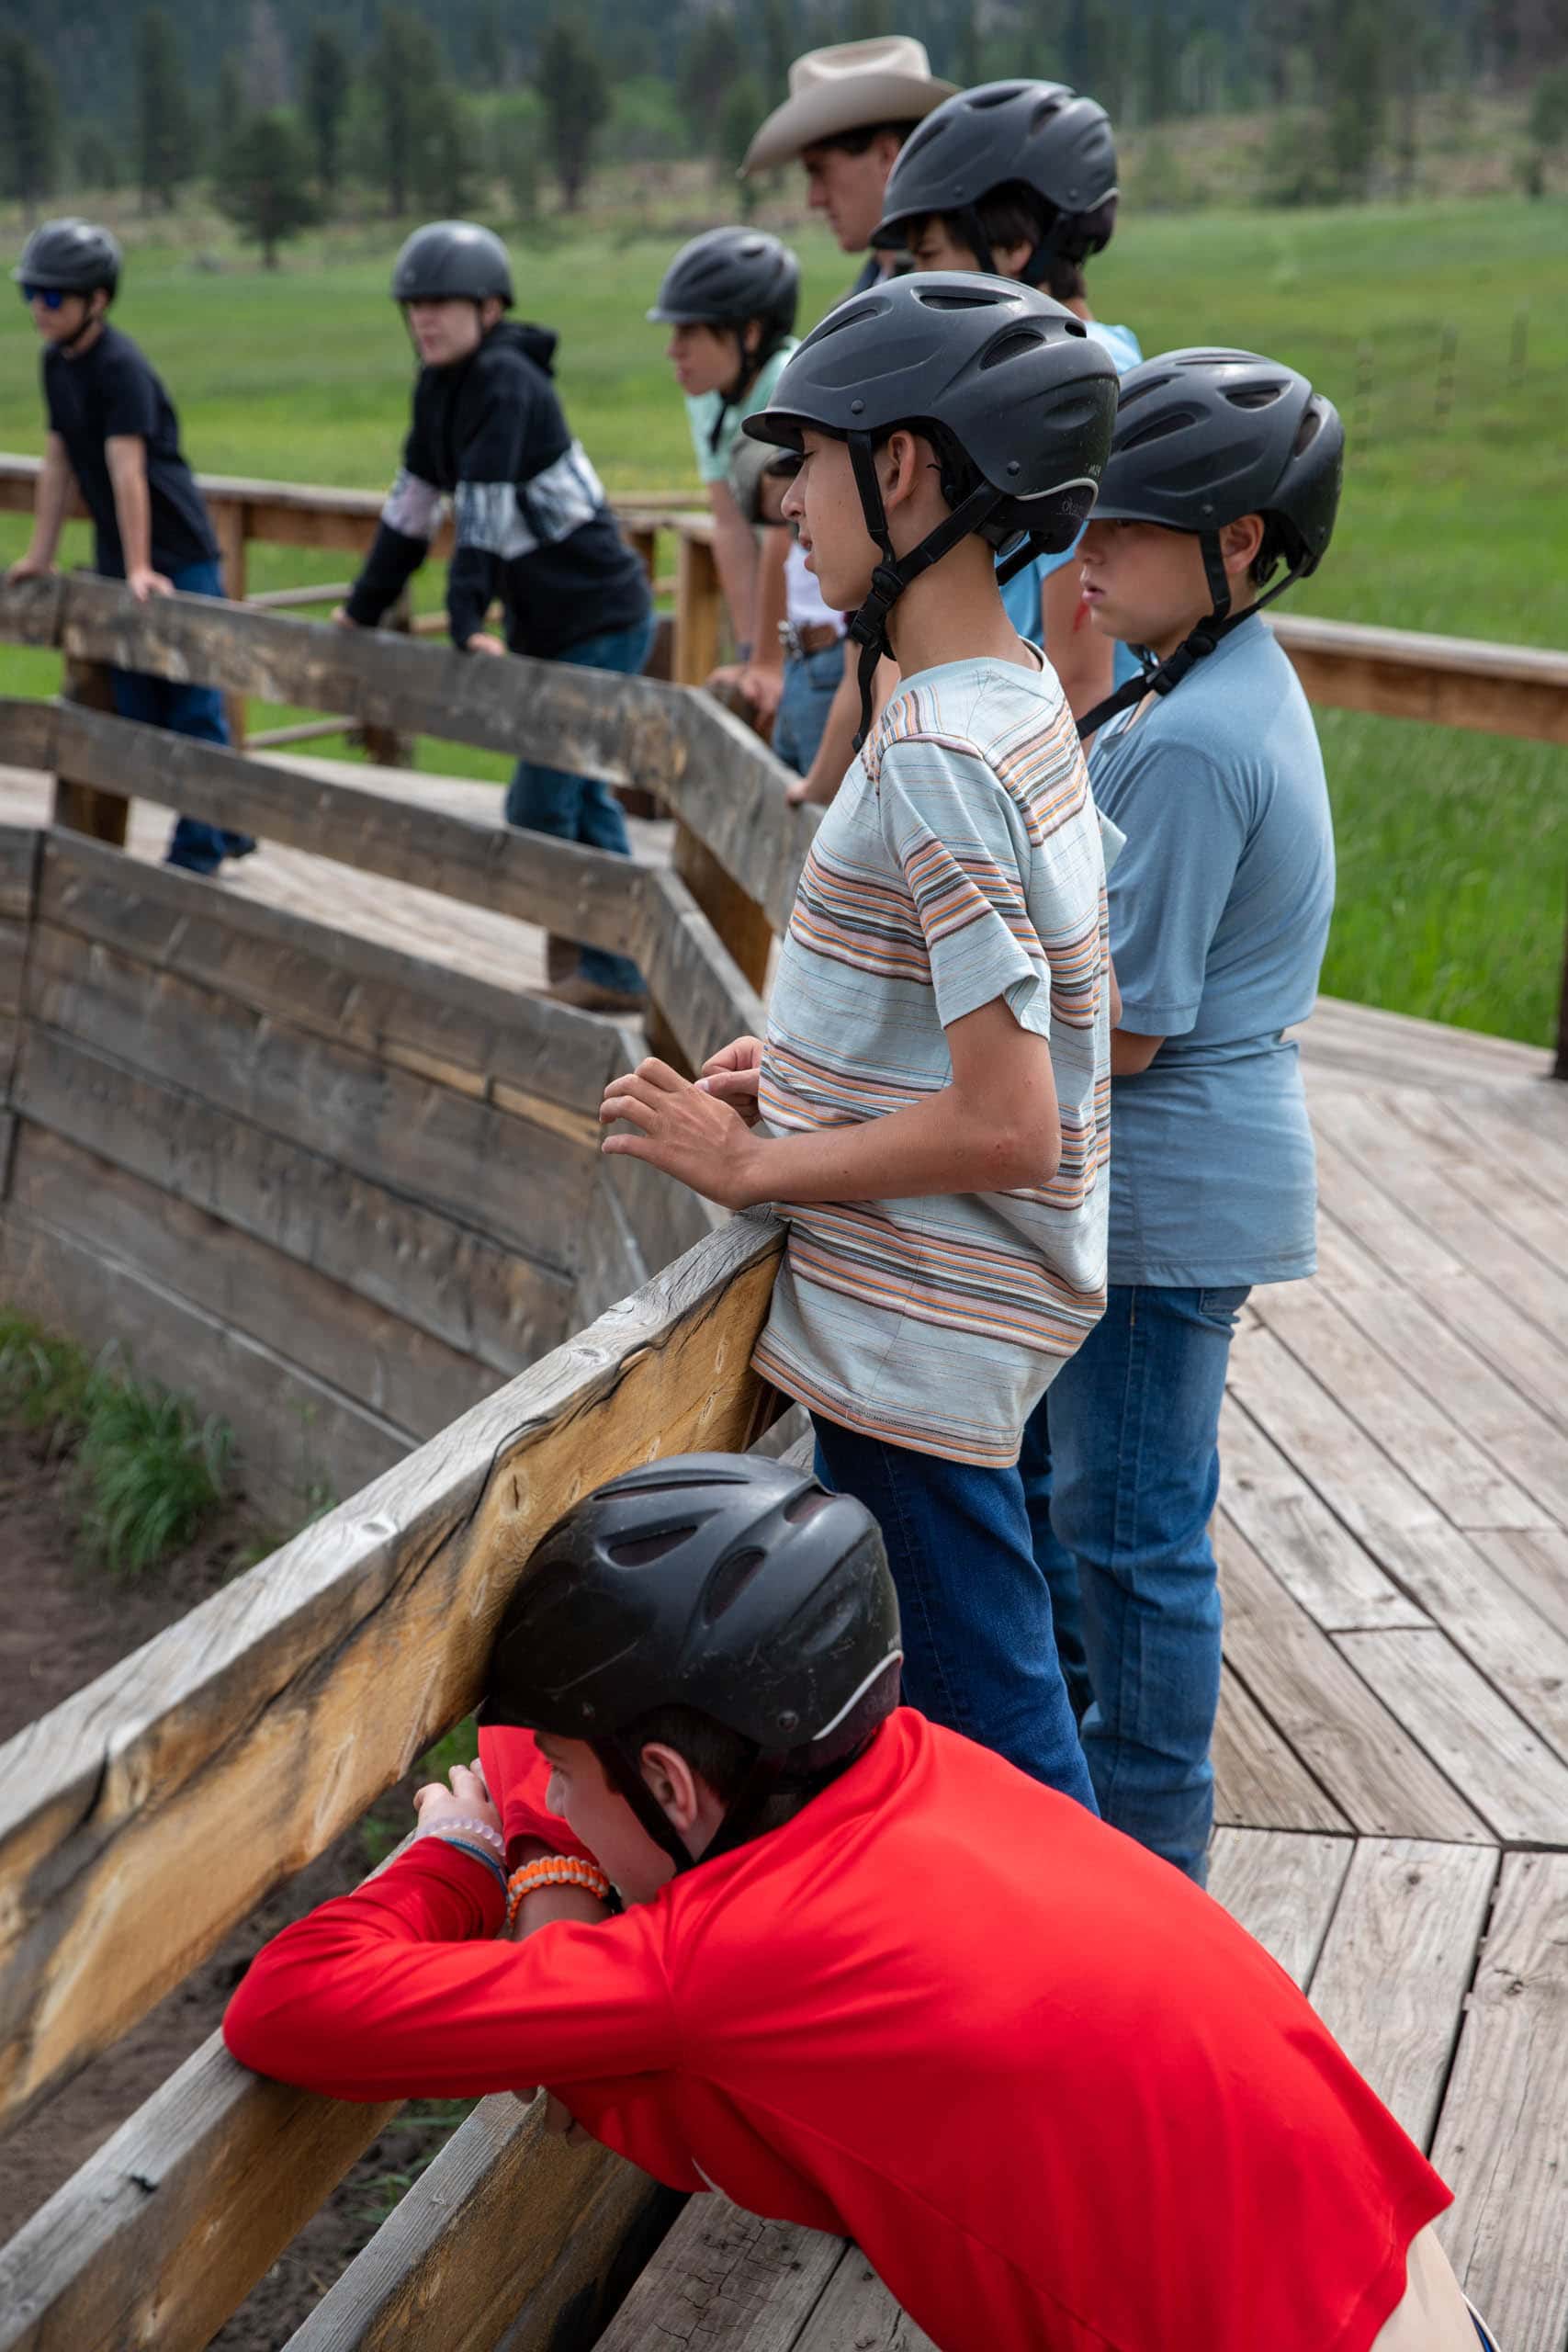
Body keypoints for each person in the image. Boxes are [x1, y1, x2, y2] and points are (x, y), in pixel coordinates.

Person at [223, 1453, 1496, 2352]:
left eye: (569, 1772)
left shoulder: (737, 1960)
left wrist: (459, 1857)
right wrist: (552, 1828)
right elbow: (544, 1787)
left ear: (669, 1779)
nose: (544, 1792)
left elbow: (292, 2007)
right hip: (1396, 2284)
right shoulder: (929, 1772)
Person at [598, 277, 1122, 1812]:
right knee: (973, 1717)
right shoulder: (1010, 703)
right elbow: (994, 1013)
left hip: (913, 1351)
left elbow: (1009, 1119)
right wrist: (822, 1081)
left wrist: (762, 1162)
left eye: (808, 460)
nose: (785, 497)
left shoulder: (947, 755)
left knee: (1000, 1756)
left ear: (904, 470)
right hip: (949, 1328)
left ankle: (1094, 2037)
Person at [1018, 348, 1345, 1886]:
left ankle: (1150, 1878)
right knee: (1111, 1528)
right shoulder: (1212, 686)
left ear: (1236, 544)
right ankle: (1124, 1858)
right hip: (1172, 1185)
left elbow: (1129, 1028)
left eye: (1124, 533)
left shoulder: (1204, 736)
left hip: (1162, 1194)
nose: (1085, 565)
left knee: (1127, 1545)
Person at [338, 220, 653, 1015]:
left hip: (600, 617)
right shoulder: (437, 388)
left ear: (490, 308)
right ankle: (608, 964)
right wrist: (360, 608)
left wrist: (461, 616)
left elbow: (480, 505)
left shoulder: (507, 383)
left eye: (443, 303)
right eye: (413, 306)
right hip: (547, 627)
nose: (425, 319)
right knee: (568, 796)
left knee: (546, 801)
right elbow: (412, 504)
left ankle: (616, 969)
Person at [872, 78, 1144, 722]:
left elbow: (1081, 683)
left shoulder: (1079, 392)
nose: (920, 282)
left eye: (931, 255)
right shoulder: (1030, 384)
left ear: (1015, 248)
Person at [7, 218, 254, 878]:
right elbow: (59, 461)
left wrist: (144, 565)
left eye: (53, 297)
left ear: (98, 301)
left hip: (178, 553)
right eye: (32, 293)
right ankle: (227, 824)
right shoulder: (56, 363)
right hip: (124, 557)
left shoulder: (120, 368)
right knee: (136, 705)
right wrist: (40, 553)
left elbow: (128, 474)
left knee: (193, 705)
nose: (39, 307)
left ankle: (197, 852)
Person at [739, 35, 954, 772]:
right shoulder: (861, 307)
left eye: (822, 172)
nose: (813, 199)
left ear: (889, 157)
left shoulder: (917, 322)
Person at [649, 227, 799, 677]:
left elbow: (778, 531)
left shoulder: (789, 382)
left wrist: (768, 665)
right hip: (776, 625)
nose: (672, 350)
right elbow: (730, 523)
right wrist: (750, 650)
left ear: (748, 334)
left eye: (689, 331)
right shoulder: (708, 396)